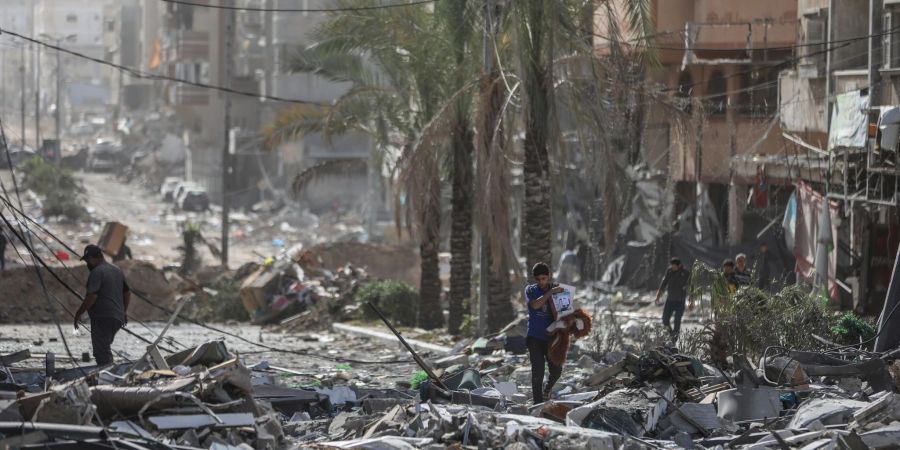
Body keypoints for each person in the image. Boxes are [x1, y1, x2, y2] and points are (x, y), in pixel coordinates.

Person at [73, 245, 130, 366]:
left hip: (102, 317)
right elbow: (127, 292)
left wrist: (79, 313)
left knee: (101, 352)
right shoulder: (117, 270)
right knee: (104, 348)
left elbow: (92, 296)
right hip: (117, 318)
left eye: (89, 259)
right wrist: (124, 312)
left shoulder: (97, 272)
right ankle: (109, 372)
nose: (88, 263)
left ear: (99, 257)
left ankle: (107, 376)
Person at [524, 262, 564, 404]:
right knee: (537, 373)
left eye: (544, 278)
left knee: (557, 370)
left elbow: (565, 312)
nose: (541, 282)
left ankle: (547, 389)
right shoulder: (530, 290)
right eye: (538, 279)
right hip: (534, 337)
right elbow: (535, 305)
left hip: (551, 339)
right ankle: (538, 404)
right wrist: (550, 293)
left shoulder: (558, 290)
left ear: (549, 277)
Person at [654, 257, 692, 340]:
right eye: (672, 265)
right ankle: (671, 334)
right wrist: (658, 296)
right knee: (665, 319)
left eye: (674, 266)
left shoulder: (685, 273)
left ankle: (675, 338)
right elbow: (663, 284)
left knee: (677, 320)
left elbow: (691, 287)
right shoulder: (669, 271)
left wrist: (691, 300)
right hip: (670, 300)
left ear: (679, 265)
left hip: (680, 301)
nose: (673, 267)